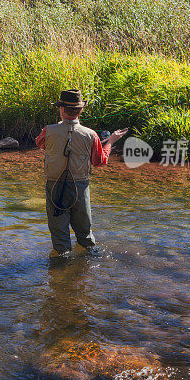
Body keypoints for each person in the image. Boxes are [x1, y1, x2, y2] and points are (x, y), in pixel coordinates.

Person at [35, 90, 127, 258]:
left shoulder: (48, 130)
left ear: (62, 109)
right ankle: (87, 269)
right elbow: (100, 161)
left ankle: (61, 273)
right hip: (80, 187)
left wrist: (59, 128)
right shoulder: (91, 135)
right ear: (80, 111)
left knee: (59, 235)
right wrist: (111, 141)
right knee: (85, 235)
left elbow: (40, 143)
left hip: (54, 186)